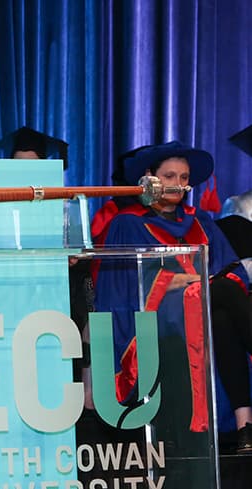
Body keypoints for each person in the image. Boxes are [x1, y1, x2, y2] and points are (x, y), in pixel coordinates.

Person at [93, 141, 252, 452]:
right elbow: (124, 284)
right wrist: (190, 281)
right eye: (169, 176)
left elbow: (233, 271)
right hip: (154, 315)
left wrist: (199, 284)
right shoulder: (128, 223)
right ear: (149, 177)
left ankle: (244, 426)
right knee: (219, 292)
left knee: (221, 315)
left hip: (206, 306)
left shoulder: (201, 221)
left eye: (184, 177)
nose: (178, 184)